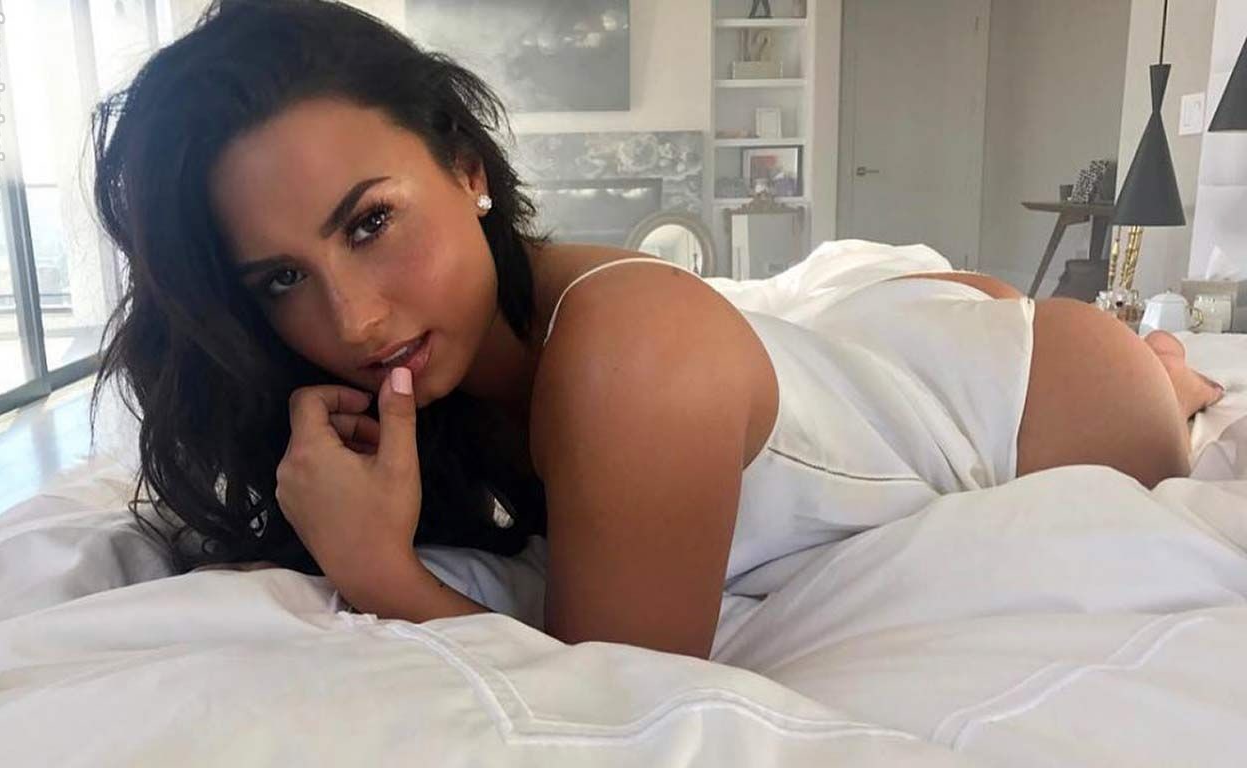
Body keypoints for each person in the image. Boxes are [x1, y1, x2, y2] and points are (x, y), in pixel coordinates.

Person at [89, 0, 1225, 660]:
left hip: (1046, 397)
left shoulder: (623, 359)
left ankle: (1173, 369)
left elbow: (619, 701)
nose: (353, 318)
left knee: (1161, 384)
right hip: (860, 350)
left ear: (467, 168)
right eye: (282, 278)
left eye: (372, 222)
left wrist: (377, 569)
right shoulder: (466, 356)